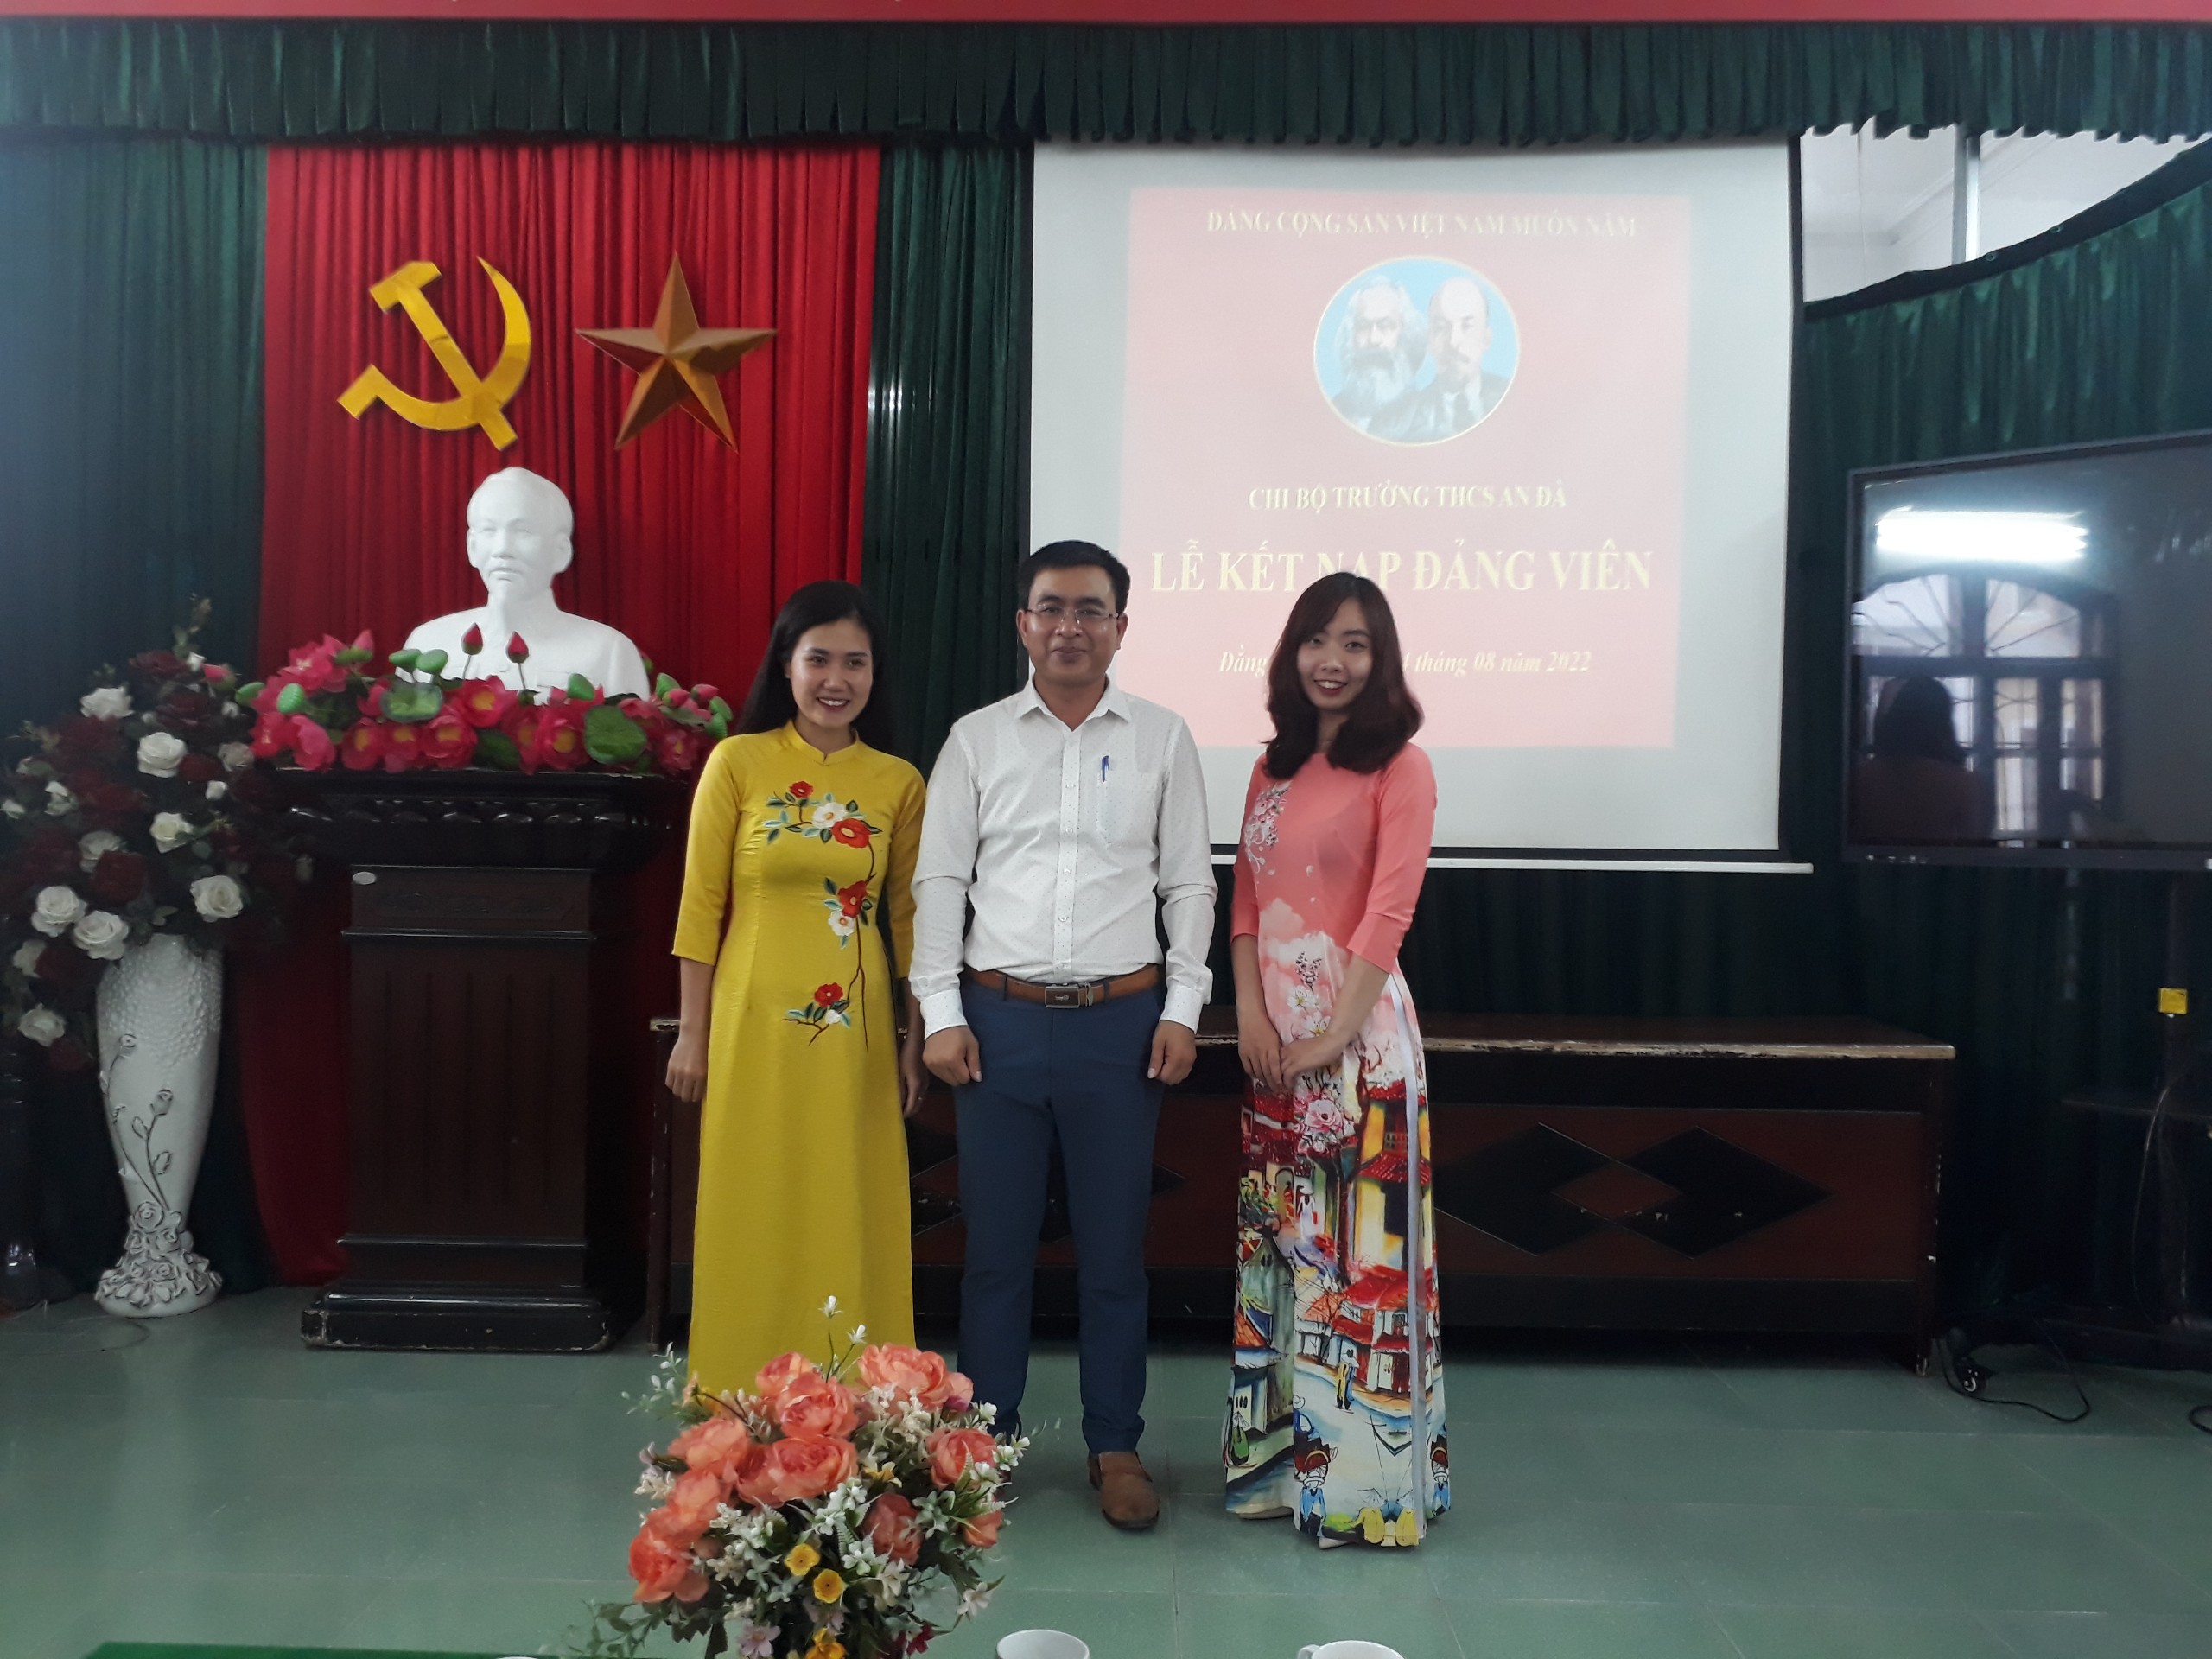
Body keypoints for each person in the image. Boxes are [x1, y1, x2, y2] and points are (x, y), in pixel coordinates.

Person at [911, 539, 1216, 1531]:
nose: (1069, 626)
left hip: (1121, 1029)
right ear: (1023, 623)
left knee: (1114, 1256)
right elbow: (940, 880)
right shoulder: (976, 739)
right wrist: (942, 1012)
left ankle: (1114, 1444)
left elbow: (1188, 883)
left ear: (1121, 627)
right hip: (996, 1025)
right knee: (995, 1255)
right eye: (1051, 607)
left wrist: (1182, 1007)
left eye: (1091, 610)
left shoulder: (1164, 737)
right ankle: (983, 1443)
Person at [1222, 570, 1447, 1549]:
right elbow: (1241, 905)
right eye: (1317, 639)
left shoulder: (1402, 767)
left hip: (1361, 1050)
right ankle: (1276, 1475)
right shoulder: (1269, 767)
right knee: (1281, 1254)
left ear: (1380, 659)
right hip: (1273, 1043)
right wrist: (1252, 1019)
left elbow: (1389, 914)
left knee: (1355, 1269)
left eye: (1355, 643)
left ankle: (1362, 1493)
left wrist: (1332, 1034)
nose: (1333, 660)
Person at [665, 580, 927, 1395]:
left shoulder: (898, 782)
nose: (836, 679)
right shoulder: (737, 763)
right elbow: (700, 906)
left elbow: (911, 921)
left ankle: (858, 1404)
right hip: (749, 1022)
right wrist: (692, 1033)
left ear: (876, 674)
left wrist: (915, 1038)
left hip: (855, 1031)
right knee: (752, 1196)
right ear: (786, 664)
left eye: (856, 662)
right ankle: (735, 1401)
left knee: (847, 1199)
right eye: (819, 659)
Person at [405, 467, 652, 696]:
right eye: (489, 530)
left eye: (523, 532)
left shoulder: (610, 653)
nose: (502, 549)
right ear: (472, 547)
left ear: (560, 551)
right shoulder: (427, 644)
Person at [1851, 674, 1990, 843]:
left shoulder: (1861, 778)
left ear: (1895, 717)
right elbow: (1973, 848)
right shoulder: (1963, 783)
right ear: (1944, 721)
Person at [1374, 276, 1512, 443]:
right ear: (1430, 341)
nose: (1453, 341)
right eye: (1441, 328)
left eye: (1467, 326)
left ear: (1486, 339)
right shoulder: (1402, 423)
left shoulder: (1513, 398)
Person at [1328, 277, 1426, 434]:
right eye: (1363, 327)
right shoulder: (1332, 410)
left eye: (1385, 326)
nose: (1373, 339)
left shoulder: (1425, 416)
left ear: (1406, 335)